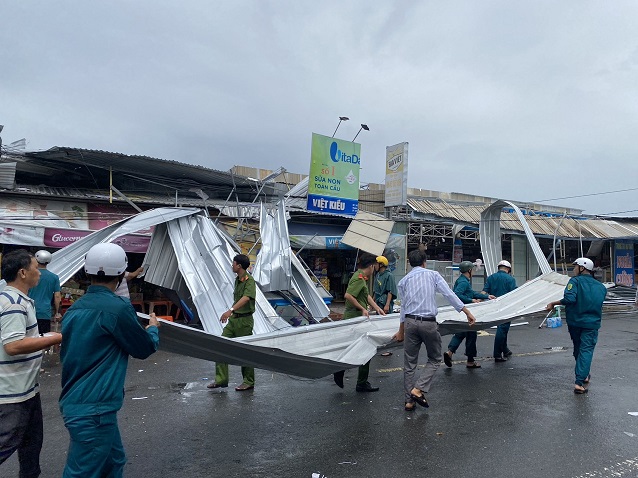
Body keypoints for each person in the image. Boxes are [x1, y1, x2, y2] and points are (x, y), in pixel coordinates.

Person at [59, 243, 159, 477]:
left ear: (87, 272)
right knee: (83, 471)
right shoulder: (118, 308)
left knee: (114, 460)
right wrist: (153, 329)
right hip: (94, 408)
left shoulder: (74, 309)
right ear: (121, 274)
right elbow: (143, 348)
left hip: (83, 402)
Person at [0, 249, 62, 478]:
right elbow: (13, 346)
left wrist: (42, 339)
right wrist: (56, 338)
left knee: (31, 445)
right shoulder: (13, 303)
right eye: (36, 268)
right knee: (7, 442)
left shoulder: (20, 299)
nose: (40, 273)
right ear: (23, 273)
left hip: (27, 389)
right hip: (12, 392)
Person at [392, 250, 476, 411]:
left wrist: (401, 330)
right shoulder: (433, 275)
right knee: (435, 358)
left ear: (410, 263)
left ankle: (409, 401)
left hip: (409, 322)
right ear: (425, 262)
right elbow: (449, 295)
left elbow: (403, 308)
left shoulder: (403, 281)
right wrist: (467, 312)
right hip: (428, 323)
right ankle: (418, 389)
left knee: (409, 363)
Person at [545, 257, 607, 394]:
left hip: (575, 322)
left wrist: (553, 303)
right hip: (592, 324)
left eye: (575, 267)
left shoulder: (574, 281)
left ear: (582, 268)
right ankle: (582, 377)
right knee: (586, 350)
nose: (573, 269)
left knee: (578, 349)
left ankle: (580, 380)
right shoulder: (601, 288)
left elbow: (570, 299)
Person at [333, 253, 386, 392]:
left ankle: (354, 378)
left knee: (361, 348)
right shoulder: (358, 277)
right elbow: (348, 295)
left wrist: (377, 308)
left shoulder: (362, 277)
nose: (375, 268)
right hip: (354, 318)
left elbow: (366, 295)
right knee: (364, 348)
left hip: (357, 317)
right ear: (371, 266)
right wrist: (362, 308)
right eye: (374, 265)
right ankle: (350, 376)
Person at [208, 254, 257, 392]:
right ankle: (221, 380)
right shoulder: (237, 280)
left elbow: (246, 298)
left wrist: (230, 310)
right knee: (221, 345)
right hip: (234, 319)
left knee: (244, 352)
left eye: (233, 263)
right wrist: (232, 313)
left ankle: (248, 381)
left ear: (239, 266)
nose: (232, 265)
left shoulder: (249, 281)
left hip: (244, 321)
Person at [443, 261, 494, 369]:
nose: (475, 270)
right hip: (466, 312)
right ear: (469, 270)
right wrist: (470, 300)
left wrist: (487, 296)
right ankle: (470, 361)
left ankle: (449, 353)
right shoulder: (463, 282)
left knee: (461, 333)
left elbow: (471, 293)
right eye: (473, 268)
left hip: (462, 311)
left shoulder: (463, 280)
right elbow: (457, 295)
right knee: (471, 334)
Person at [483, 260, 517, 362]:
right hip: (506, 307)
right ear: (508, 269)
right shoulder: (510, 279)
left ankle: (505, 349)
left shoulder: (491, 277)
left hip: (494, 306)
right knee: (502, 329)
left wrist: (477, 300)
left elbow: (485, 291)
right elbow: (515, 293)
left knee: (503, 329)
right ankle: (497, 354)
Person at [28, 250, 62, 335]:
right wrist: (57, 312)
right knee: (43, 338)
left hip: (29, 310)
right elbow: (57, 296)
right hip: (44, 312)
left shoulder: (29, 274)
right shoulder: (54, 277)